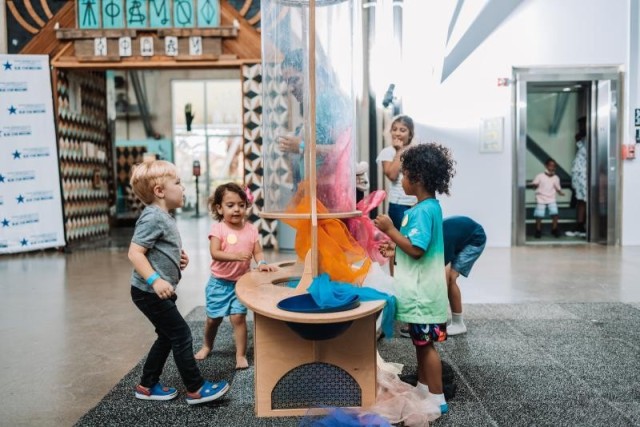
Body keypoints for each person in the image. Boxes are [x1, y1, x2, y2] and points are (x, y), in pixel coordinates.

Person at [127, 160, 229, 405]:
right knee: (181, 334)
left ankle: (147, 385)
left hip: (157, 292)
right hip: (148, 292)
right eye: (178, 183)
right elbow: (135, 253)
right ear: (160, 191)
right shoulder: (153, 217)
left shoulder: (164, 216)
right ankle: (195, 388)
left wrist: (176, 259)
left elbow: (156, 249)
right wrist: (155, 280)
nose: (183, 188)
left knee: (166, 336)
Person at [374, 142, 456, 415]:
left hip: (424, 294)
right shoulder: (427, 208)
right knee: (421, 344)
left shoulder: (422, 211)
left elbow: (417, 250)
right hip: (423, 292)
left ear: (417, 178)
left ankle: (437, 396)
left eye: (405, 175)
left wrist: (390, 230)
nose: (402, 180)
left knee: (426, 345)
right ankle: (424, 387)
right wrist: (395, 246)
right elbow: (414, 245)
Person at [194, 183, 276, 368]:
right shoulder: (218, 229)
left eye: (241, 204)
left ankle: (240, 355)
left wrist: (262, 263)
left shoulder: (251, 229)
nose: (236, 209)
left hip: (241, 283)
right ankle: (207, 345)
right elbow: (215, 252)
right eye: (230, 205)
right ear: (219, 208)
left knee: (238, 318)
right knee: (213, 319)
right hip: (219, 283)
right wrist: (236, 256)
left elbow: (258, 252)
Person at [442, 216, 486, 335]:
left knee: (450, 278)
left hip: (476, 240)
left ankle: (458, 323)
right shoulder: (436, 233)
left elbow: (442, 275)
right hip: (463, 235)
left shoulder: (443, 240)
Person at [376, 115, 418, 230]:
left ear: (410, 134)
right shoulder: (387, 152)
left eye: (402, 130)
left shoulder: (416, 152)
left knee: (414, 238)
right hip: (399, 205)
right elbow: (392, 175)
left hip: (416, 203)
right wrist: (399, 151)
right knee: (402, 237)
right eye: (394, 130)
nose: (397, 133)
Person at [531, 158, 565, 238]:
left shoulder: (556, 178)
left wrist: (560, 192)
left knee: (555, 213)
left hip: (551, 198)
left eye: (554, 166)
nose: (552, 168)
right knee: (539, 215)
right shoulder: (539, 176)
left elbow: (557, 188)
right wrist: (534, 186)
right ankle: (538, 230)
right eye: (550, 166)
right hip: (541, 198)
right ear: (546, 166)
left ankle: (554, 229)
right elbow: (534, 186)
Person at [566, 128, 587, 237]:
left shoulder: (590, 140)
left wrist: (578, 141)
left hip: (584, 176)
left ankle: (583, 226)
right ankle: (580, 226)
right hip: (579, 176)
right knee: (580, 200)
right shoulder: (583, 140)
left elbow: (587, 153)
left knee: (584, 200)